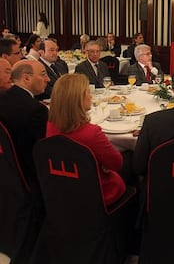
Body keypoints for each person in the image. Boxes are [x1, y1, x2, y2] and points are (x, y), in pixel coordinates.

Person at [47, 73, 126, 206]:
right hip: (97, 195)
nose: (91, 96)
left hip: (63, 191)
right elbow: (116, 164)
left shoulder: (50, 126)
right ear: (78, 99)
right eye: (88, 93)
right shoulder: (91, 133)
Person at [0, 60, 49, 187]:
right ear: (26, 78)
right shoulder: (36, 110)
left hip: (7, 172)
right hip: (28, 180)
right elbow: (41, 154)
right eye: (43, 74)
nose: (47, 79)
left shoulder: (3, 98)